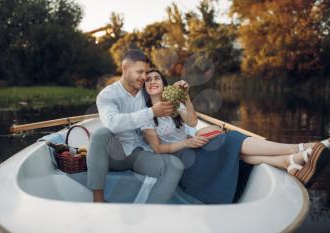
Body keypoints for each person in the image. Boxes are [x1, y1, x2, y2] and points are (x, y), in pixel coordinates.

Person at [141, 68, 330, 204]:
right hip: (183, 164)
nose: (153, 81)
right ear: (144, 88)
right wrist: (188, 142)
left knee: (230, 145)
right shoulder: (145, 114)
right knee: (230, 140)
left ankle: (288, 161)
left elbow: (191, 122)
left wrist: (186, 98)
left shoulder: (173, 106)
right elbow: (157, 148)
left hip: (193, 149)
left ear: (164, 83)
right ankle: (297, 148)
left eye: (156, 77)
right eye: (148, 80)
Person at [86, 50, 185, 203]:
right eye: (140, 72)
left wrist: (181, 91)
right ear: (124, 68)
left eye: (146, 72)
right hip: (116, 154)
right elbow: (113, 123)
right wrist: (151, 112)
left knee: (175, 166)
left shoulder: (147, 91)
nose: (145, 77)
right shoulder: (107, 95)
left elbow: (169, 97)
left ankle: (150, 214)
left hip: (141, 152)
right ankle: (98, 201)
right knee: (100, 133)